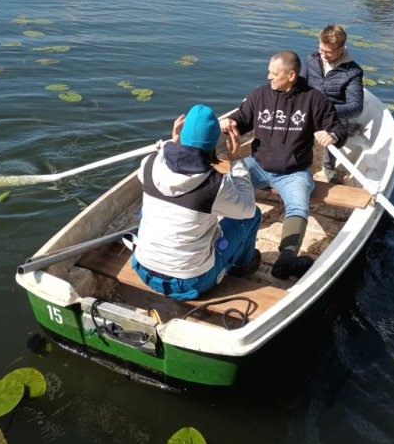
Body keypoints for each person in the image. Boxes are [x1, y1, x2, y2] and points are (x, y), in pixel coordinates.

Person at [219, 51, 347, 280]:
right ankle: (213, 236)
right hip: (257, 165)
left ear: (291, 75)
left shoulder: (314, 99)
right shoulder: (258, 96)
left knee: (298, 205)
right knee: (223, 187)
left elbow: (337, 127)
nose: (268, 77)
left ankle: (287, 258)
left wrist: (332, 136)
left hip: (293, 172)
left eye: (273, 73)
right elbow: (242, 118)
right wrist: (228, 122)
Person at [131, 104, 263, 301]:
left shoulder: (149, 164)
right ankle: (243, 266)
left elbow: (166, 159)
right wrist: (236, 161)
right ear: (212, 144)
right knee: (252, 217)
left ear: (181, 132)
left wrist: (173, 142)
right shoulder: (215, 185)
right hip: (191, 281)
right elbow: (247, 209)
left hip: (142, 268)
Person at [301, 24, 364, 183]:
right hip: (308, 109)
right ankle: (298, 162)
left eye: (328, 52)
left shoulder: (353, 72)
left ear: (341, 49)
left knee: (334, 129)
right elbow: (299, 86)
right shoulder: (311, 60)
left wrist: (326, 111)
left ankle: (328, 168)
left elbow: (356, 107)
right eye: (320, 49)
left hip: (333, 114)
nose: (322, 54)